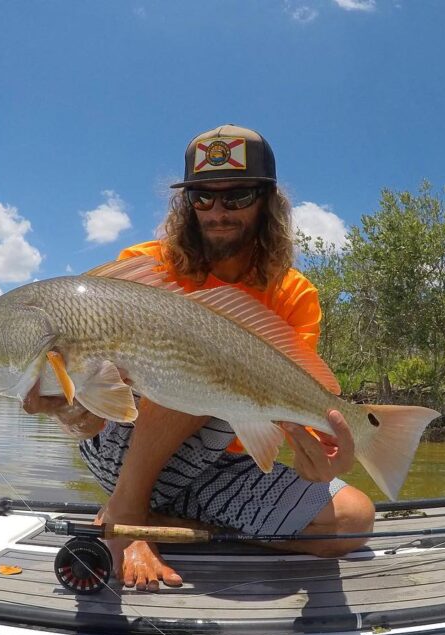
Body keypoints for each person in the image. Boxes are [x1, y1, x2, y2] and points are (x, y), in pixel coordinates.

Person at [24, 125, 375, 591]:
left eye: (238, 196)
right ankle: (128, 510)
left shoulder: (294, 294)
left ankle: (151, 519)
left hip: (220, 467)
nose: (217, 211)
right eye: (202, 198)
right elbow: (91, 420)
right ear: (186, 202)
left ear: (268, 202)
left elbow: (293, 413)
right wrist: (71, 415)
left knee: (353, 520)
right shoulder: (144, 267)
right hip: (122, 451)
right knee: (189, 351)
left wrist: (321, 452)